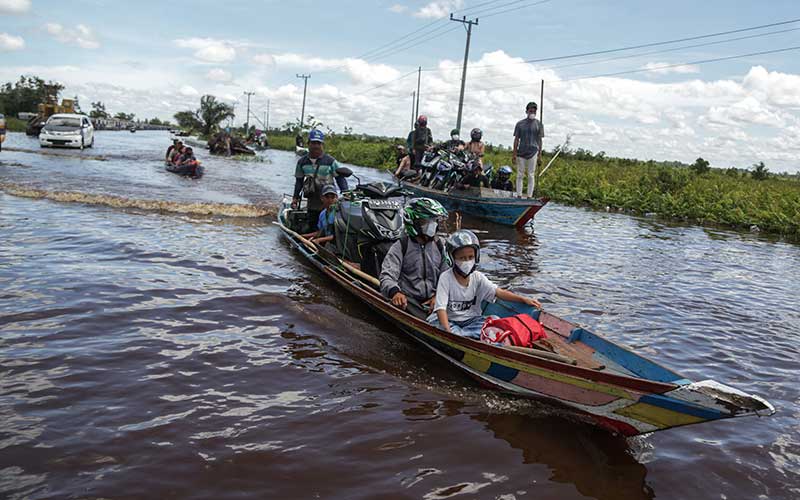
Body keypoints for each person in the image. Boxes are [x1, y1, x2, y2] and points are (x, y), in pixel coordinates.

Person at [428, 230, 541, 337]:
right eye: (462, 258)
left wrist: (523, 299)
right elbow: (441, 309)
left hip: (471, 321)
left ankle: (469, 335)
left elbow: (498, 292)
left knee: (495, 320)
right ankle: (466, 336)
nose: (467, 261)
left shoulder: (478, 277)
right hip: (450, 320)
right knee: (450, 330)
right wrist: (448, 333)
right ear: (452, 258)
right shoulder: (446, 278)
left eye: (470, 257)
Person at [380, 198, 449, 314]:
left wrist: (438, 296)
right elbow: (387, 276)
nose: (432, 225)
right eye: (425, 221)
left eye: (434, 221)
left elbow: (448, 276)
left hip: (435, 301)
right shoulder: (401, 246)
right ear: (413, 222)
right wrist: (395, 292)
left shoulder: (440, 245)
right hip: (409, 302)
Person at [292, 129, 348, 231]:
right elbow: (299, 181)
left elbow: (340, 178)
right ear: (308, 144)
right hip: (312, 200)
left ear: (322, 145)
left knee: (330, 225)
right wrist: (295, 198)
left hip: (328, 200)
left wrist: (346, 194)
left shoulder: (330, 161)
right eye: (313, 143)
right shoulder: (302, 162)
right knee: (313, 225)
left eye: (318, 143)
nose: (316, 146)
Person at [512, 101, 544, 197]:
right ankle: (519, 195)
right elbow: (516, 139)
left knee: (531, 175)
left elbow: (540, 140)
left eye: (534, 111)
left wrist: (540, 155)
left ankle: (529, 196)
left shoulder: (539, 124)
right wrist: (514, 154)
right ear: (527, 111)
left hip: (533, 152)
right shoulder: (520, 124)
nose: (532, 113)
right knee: (520, 174)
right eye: (531, 111)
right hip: (521, 152)